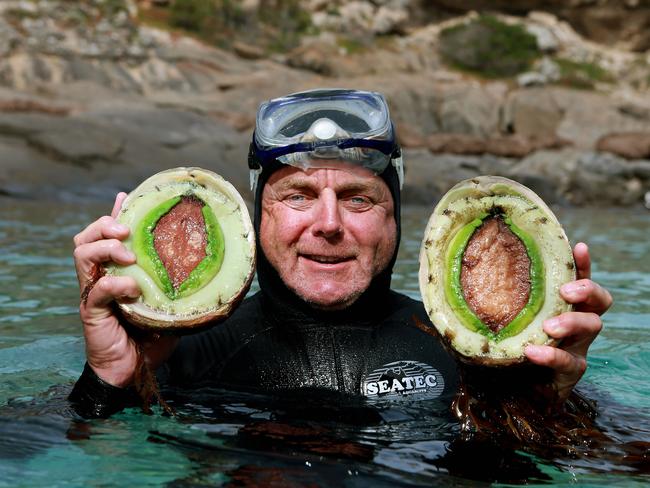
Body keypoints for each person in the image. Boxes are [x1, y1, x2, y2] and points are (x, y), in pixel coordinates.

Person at [68, 89, 612, 418]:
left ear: (395, 216)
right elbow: (42, 461)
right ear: (257, 217)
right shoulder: (177, 357)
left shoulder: (477, 363)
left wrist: (544, 404)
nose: (328, 224)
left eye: (358, 199)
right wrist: (108, 380)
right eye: (297, 196)